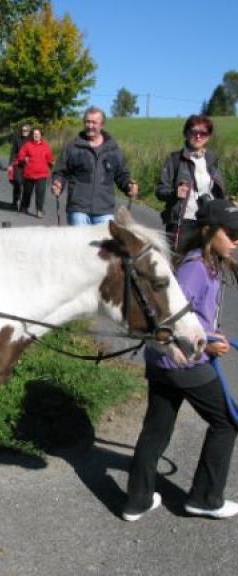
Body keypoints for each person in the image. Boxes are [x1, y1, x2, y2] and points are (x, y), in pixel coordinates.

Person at [122, 197, 238, 522]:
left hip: (164, 362)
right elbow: (172, 318)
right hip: (182, 360)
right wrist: (208, 345)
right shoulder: (194, 268)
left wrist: (211, 336)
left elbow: (197, 317)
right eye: (231, 232)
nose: (237, 239)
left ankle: (137, 500)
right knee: (226, 422)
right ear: (208, 231)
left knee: (157, 429)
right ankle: (205, 497)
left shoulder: (208, 262)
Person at [51, 107, 138, 225]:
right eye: (87, 122)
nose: (90, 126)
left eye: (94, 122)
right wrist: (58, 183)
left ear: (102, 125)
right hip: (78, 209)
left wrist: (129, 186)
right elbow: (61, 171)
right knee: (79, 244)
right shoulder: (73, 147)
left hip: (104, 211)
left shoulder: (113, 149)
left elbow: (121, 174)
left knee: (105, 243)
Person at [156, 114, 225, 253]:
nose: (198, 136)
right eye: (194, 132)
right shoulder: (175, 159)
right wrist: (174, 193)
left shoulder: (212, 160)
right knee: (178, 265)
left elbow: (219, 192)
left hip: (207, 224)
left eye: (203, 133)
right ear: (186, 133)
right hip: (182, 224)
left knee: (205, 266)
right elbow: (160, 190)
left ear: (208, 136)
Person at [14, 127, 54, 218]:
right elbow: (20, 155)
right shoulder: (28, 145)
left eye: (38, 134)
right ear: (32, 135)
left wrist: (51, 163)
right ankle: (24, 207)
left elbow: (50, 158)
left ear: (41, 135)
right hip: (29, 173)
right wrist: (24, 159)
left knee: (40, 193)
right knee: (27, 192)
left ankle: (39, 210)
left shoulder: (46, 146)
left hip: (42, 174)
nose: (36, 135)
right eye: (34, 134)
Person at [8, 123, 31, 210]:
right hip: (18, 164)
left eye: (25, 130)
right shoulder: (17, 139)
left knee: (26, 185)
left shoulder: (31, 140)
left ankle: (24, 205)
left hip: (28, 165)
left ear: (29, 131)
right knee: (17, 182)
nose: (23, 132)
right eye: (22, 130)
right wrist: (10, 164)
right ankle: (15, 201)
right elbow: (13, 152)